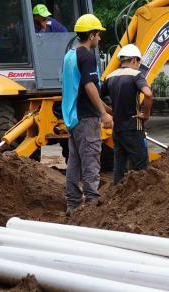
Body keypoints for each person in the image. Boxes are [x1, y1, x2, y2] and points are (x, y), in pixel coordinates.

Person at [62, 13, 113, 215]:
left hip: (73, 117)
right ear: (91, 35)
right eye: (98, 35)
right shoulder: (87, 55)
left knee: (74, 162)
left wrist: (104, 106)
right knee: (91, 159)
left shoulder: (70, 55)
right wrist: (103, 113)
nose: (99, 38)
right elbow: (89, 84)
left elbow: (79, 87)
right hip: (86, 117)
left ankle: (73, 204)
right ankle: (92, 206)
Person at [101, 44, 153, 185]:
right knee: (141, 167)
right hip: (133, 128)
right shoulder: (136, 75)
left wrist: (110, 111)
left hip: (117, 130)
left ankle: (118, 199)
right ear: (135, 60)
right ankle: (141, 197)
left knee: (119, 168)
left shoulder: (110, 77)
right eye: (139, 63)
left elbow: (97, 98)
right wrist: (145, 114)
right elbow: (148, 94)